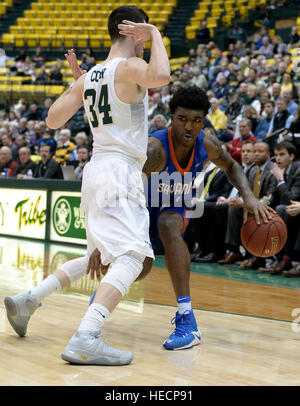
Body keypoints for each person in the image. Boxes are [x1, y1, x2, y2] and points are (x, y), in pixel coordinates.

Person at [4, 5, 170, 366]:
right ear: (130, 30)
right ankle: (87, 336)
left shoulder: (92, 76)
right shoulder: (128, 67)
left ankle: (30, 299)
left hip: (95, 172)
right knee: (134, 256)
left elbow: (51, 119)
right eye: (140, 31)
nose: (143, 40)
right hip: (120, 171)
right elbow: (160, 75)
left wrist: (80, 83)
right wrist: (156, 33)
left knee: (102, 256)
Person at [90, 87, 273, 351]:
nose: (189, 127)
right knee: (141, 267)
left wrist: (249, 196)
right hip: (139, 208)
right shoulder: (154, 149)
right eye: (182, 119)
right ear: (172, 117)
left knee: (169, 225)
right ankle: (103, 298)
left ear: (204, 122)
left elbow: (232, 165)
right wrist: (101, 239)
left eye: (197, 121)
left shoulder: (206, 143)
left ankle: (187, 318)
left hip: (174, 206)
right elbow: (118, 191)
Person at [218, 142, 277, 266]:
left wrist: (247, 204)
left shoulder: (273, 170)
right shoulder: (253, 169)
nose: (256, 154)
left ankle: (256, 256)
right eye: (254, 151)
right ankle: (235, 251)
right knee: (233, 209)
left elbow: (271, 197)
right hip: (250, 206)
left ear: (268, 154)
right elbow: (244, 190)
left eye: (260, 151)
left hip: (267, 207)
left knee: (254, 212)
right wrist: (237, 199)